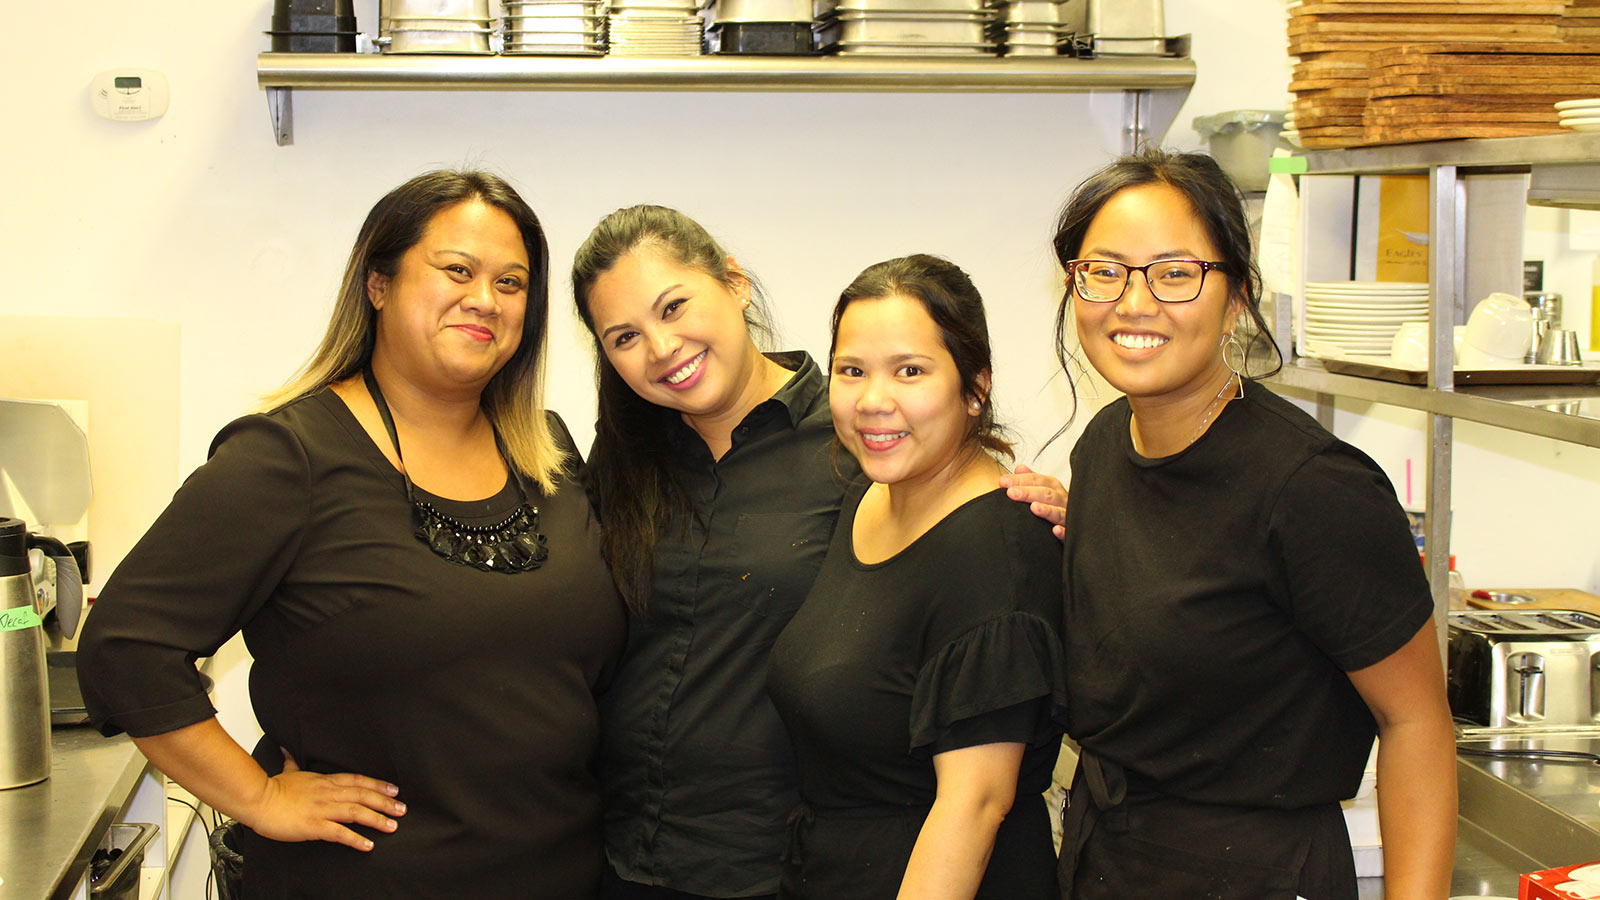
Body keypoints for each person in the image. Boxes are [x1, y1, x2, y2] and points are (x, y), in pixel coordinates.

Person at [77, 170, 627, 899]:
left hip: (561, 874)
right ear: (379, 284)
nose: (484, 299)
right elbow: (126, 649)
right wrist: (260, 797)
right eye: (456, 270)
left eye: (512, 282)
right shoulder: (289, 458)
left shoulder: (548, 451)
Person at [570, 207, 1067, 900]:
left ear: (734, 284)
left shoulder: (858, 448)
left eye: (675, 306)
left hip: (778, 864)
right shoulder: (625, 455)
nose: (660, 346)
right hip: (628, 858)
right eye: (624, 335)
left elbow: (965, 552)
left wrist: (1038, 512)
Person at [1048, 149, 1456, 900]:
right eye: (1104, 271)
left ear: (1236, 296)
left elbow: (1418, 727)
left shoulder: (1313, 489)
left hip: (1257, 873)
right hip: (1109, 853)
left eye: (1175, 273)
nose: (1134, 303)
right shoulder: (1103, 447)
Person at [766, 254, 1066, 900]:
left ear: (975, 386)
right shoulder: (868, 497)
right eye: (852, 371)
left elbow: (975, 807)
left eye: (910, 370)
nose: (875, 401)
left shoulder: (997, 552)